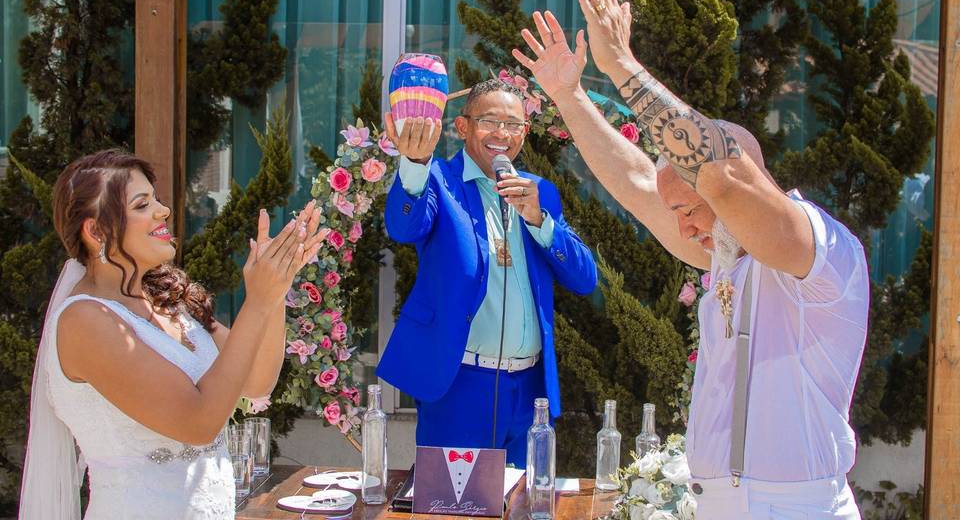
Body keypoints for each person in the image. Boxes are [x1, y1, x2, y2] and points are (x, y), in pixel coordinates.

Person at [510, 0, 867, 518]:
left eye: (690, 211)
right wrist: (569, 97)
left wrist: (621, 64)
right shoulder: (727, 253)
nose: (684, 230)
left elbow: (719, 174)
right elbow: (635, 181)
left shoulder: (815, 245)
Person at [20, 149, 326, 520]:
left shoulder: (168, 302)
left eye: (157, 199)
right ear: (96, 231)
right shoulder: (85, 320)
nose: (163, 211)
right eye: (141, 204)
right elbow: (198, 423)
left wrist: (276, 289)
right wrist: (257, 302)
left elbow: (257, 382)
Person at [376, 78, 597, 467]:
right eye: (489, 121)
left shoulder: (538, 191)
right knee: (452, 507)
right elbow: (403, 226)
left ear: (525, 134)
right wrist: (413, 165)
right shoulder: (440, 180)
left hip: (528, 392)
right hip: (460, 385)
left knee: (521, 506)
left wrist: (540, 221)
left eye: (513, 125)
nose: (502, 134)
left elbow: (584, 278)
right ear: (462, 127)